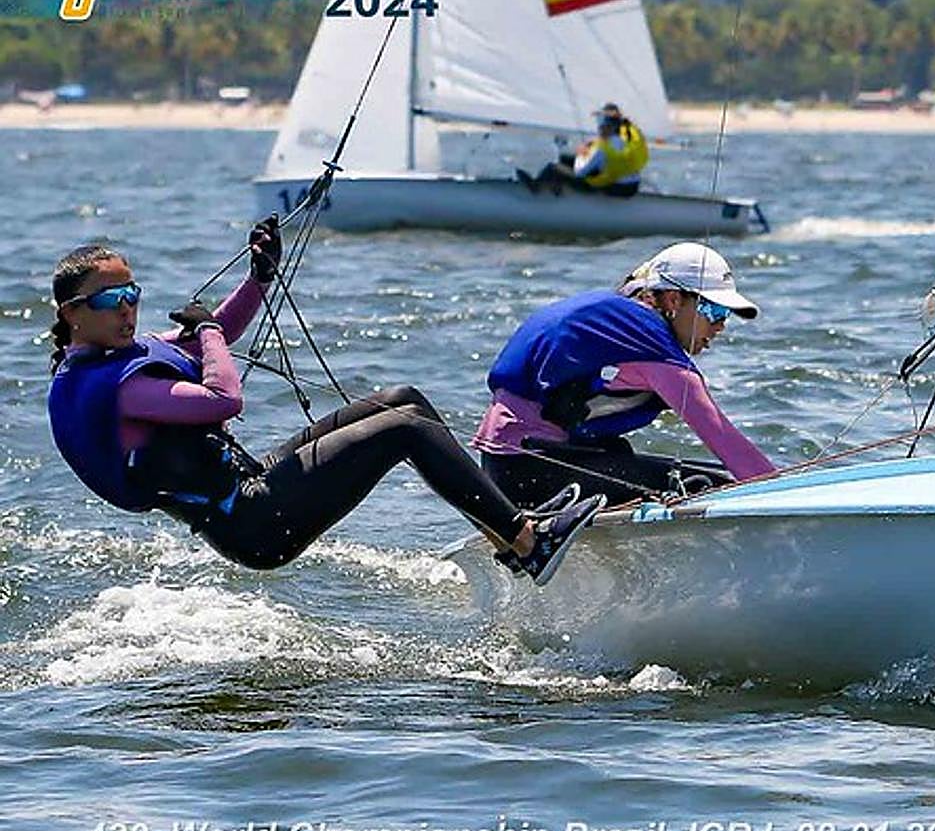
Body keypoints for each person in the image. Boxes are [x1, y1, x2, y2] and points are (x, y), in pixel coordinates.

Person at [45, 218, 604, 585]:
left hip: (254, 486)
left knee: (401, 400)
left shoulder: (116, 358)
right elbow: (222, 398)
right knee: (403, 429)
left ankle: (507, 532)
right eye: (113, 299)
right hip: (254, 522)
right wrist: (210, 332)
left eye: (133, 295)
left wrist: (257, 280)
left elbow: (217, 335)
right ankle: (531, 543)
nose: (128, 310)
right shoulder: (124, 389)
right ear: (73, 312)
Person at [472, 242, 776, 507]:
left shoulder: (621, 327)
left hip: (508, 469)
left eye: (725, 317)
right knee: (705, 485)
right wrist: (778, 492)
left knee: (665, 468)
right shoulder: (652, 348)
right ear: (673, 300)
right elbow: (724, 440)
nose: (720, 326)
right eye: (714, 312)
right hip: (534, 470)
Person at [516, 102, 648, 198]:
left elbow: (582, 172)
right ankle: (557, 185)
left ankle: (536, 187)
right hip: (630, 187)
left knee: (553, 168)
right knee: (566, 160)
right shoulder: (626, 139)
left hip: (614, 188)